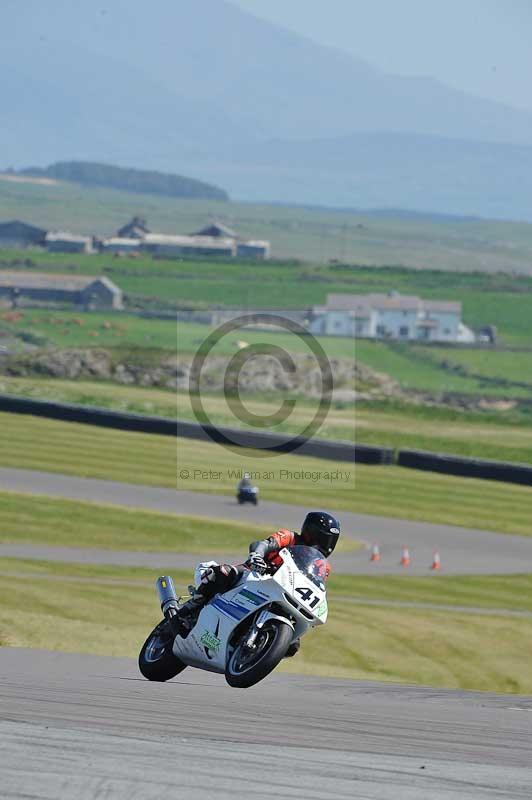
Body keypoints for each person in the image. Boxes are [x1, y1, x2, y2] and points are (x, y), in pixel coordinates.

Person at [175, 511, 341, 656]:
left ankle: (258, 651)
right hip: (256, 574)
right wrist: (257, 556)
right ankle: (192, 605)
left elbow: (314, 584)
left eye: (331, 540)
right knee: (223, 573)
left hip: (284, 592)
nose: (327, 544)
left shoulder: (322, 566)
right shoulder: (289, 537)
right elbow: (263, 544)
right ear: (310, 532)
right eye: (325, 538)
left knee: (292, 645)